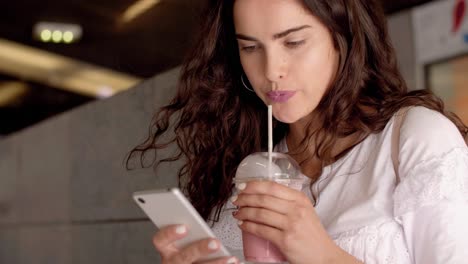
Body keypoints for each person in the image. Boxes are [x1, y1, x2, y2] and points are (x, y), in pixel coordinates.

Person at [128, 0, 468, 263]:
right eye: (250, 47)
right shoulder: (247, 165)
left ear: (343, 37)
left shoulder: (415, 138)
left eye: (293, 42)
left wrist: (325, 256)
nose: (271, 70)